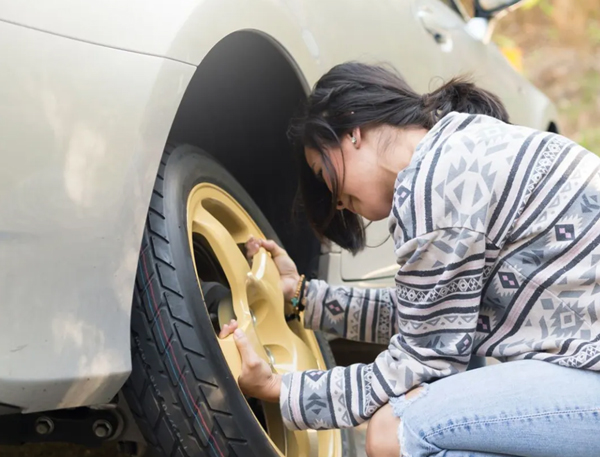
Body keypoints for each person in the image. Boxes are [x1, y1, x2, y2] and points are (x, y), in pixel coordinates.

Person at [219, 62, 600, 457]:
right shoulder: (456, 149)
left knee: (396, 431)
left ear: (352, 130)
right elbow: (424, 319)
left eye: (321, 171)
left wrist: (282, 389)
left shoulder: (437, 185)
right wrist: (302, 296)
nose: (333, 200)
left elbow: (420, 361)